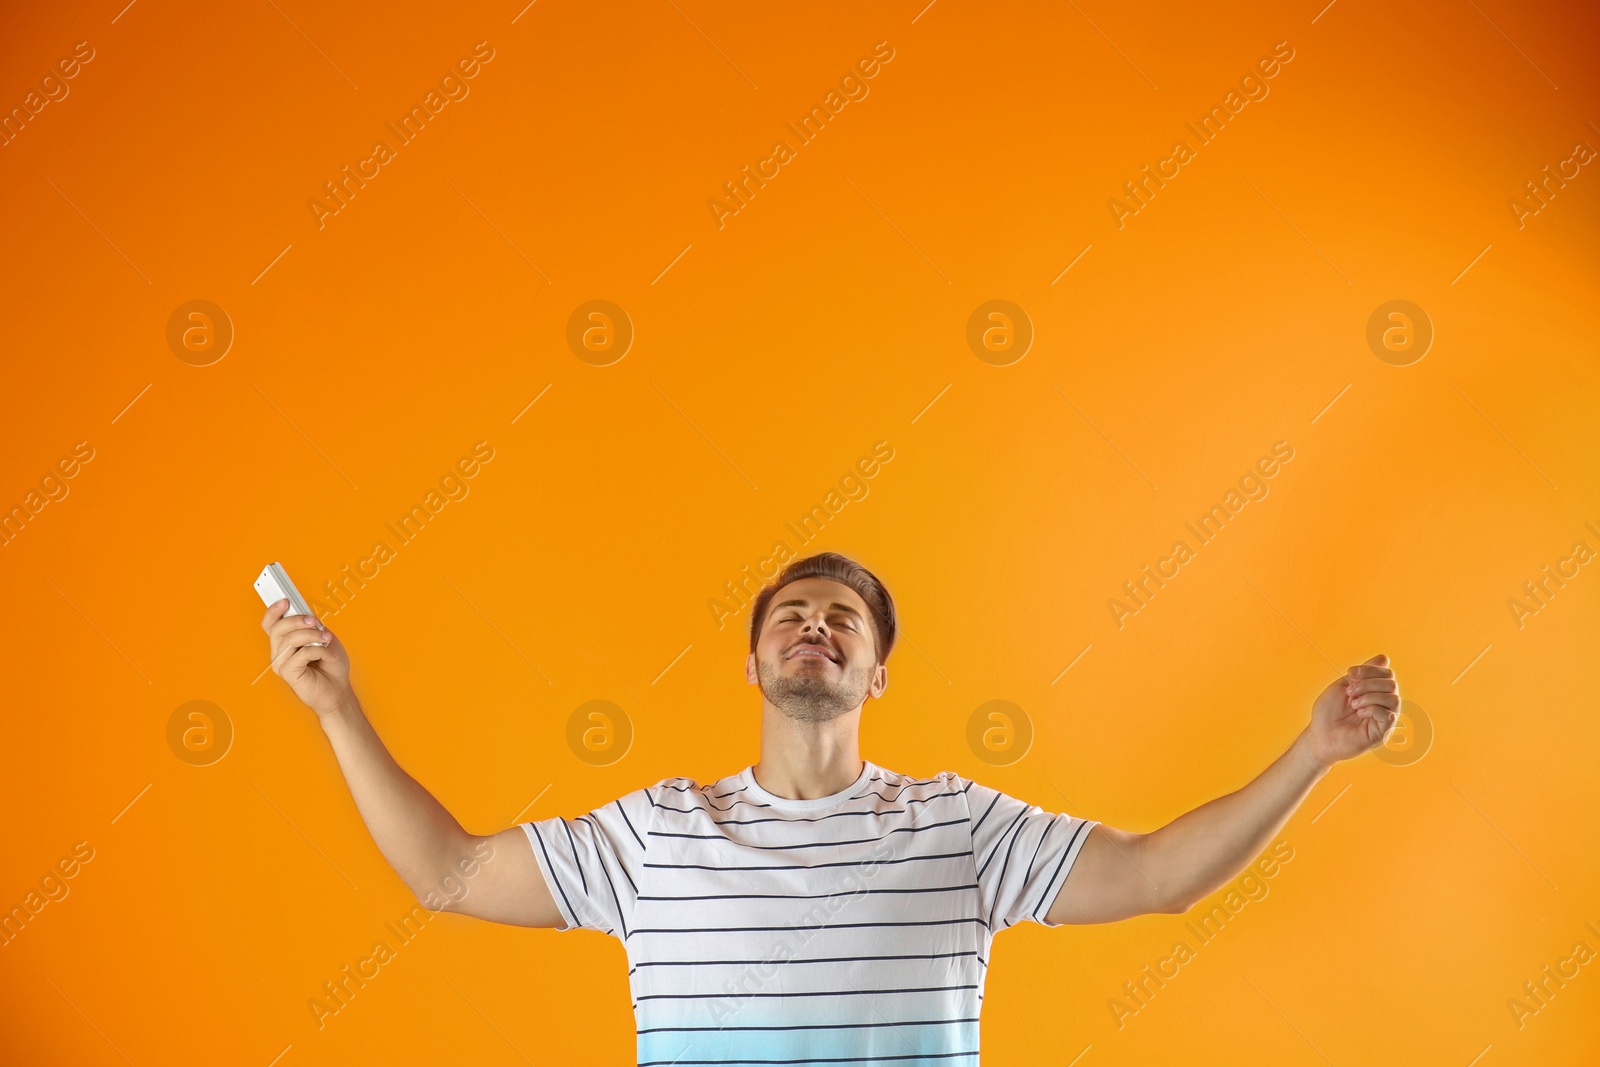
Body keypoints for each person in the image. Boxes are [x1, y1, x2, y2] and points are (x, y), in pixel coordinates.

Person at [260, 550, 1400, 1064]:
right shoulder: (653, 832)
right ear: (753, 666)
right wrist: (337, 710)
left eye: (843, 618)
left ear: (878, 671)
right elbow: (448, 874)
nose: (815, 624)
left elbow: (1156, 873)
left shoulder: (960, 825)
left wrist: (1311, 749)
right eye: (791, 614)